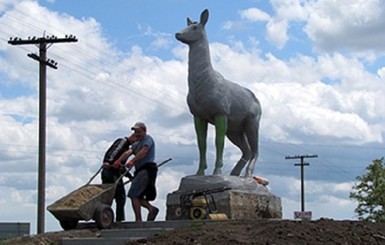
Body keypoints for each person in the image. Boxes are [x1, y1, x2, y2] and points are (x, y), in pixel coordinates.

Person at [117, 122, 159, 222]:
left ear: (145, 131)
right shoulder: (136, 144)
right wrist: (119, 161)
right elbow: (128, 152)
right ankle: (151, 209)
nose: (137, 134)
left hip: (146, 169)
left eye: (139, 132)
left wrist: (133, 161)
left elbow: (144, 151)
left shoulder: (148, 139)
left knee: (133, 194)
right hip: (139, 170)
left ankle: (138, 220)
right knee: (138, 196)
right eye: (135, 132)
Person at [101, 133, 137, 222]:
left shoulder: (126, 148)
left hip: (113, 171)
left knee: (111, 195)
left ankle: (106, 216)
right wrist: (108, 161)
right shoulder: (122, 142)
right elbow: (113, 152)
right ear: (133, 137)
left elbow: (121, 166)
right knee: (119, 194)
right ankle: (118, 218)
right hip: (111, 171)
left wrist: (129, 176)